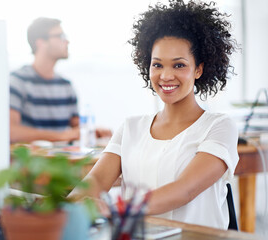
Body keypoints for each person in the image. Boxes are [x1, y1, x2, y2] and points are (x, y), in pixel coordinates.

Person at [69, 0, 239, 229]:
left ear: (199, 69)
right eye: (157, 65)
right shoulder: (131, 127)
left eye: (178, 65)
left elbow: (184, 189)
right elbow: (97, 180)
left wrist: (115, 208)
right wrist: (65, 208)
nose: (165, 76)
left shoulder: (219, 126)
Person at [9, 17, 80, 143]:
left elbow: (77, 128)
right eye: (61, 36)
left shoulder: (66, 86)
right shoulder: (17, 81)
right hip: (31, 162)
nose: (67, 41)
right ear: (40, 42)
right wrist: (61, 136)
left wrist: (92, 130)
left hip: (64, 161)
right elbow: (11, 132)